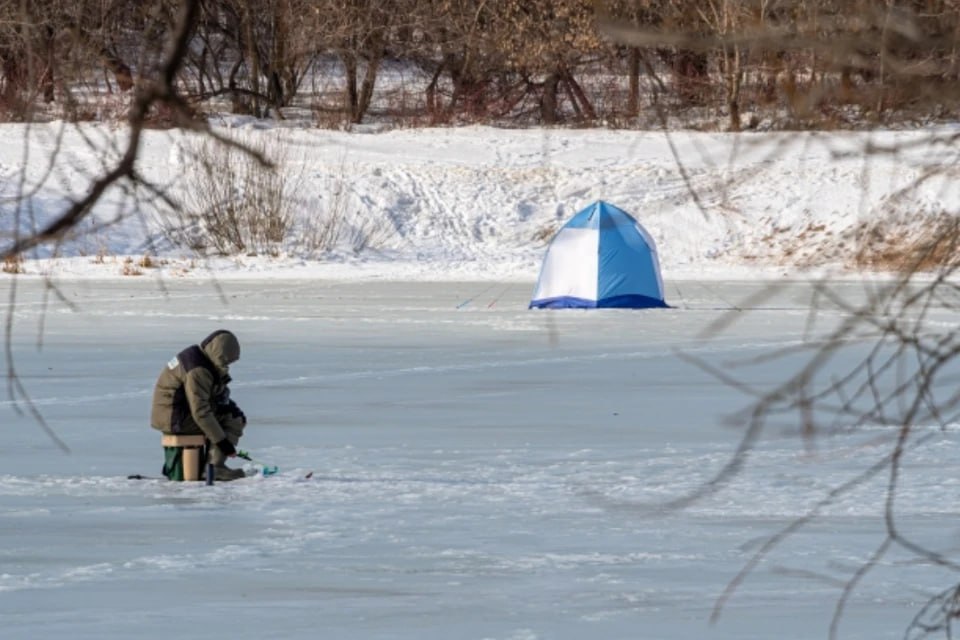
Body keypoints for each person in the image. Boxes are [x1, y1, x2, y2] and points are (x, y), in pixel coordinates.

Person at [151, 329, 247, 481]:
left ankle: (211, 465)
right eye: (227, 360)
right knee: (234, 419)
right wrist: (223, 443)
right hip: (176, 418)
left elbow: (208, 396)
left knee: (227, 413)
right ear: (220, 355)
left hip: (173, 413)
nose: (228, 365)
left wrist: (226, 403)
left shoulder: (198, 358)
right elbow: (200, 412)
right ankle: (215, 466)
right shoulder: (198, 370)